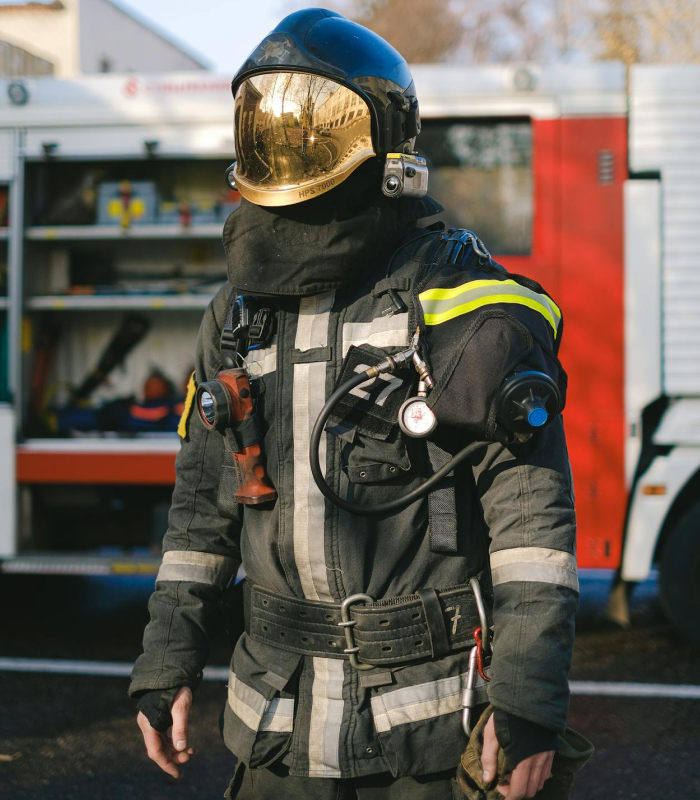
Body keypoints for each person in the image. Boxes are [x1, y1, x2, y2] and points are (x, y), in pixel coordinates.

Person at [130, 9, 583, 800]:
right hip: (277, 729)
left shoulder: (466, 310)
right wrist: (166, 660)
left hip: (429, 738)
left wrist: (527, 704)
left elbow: (531, 527)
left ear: (386, 143)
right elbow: (203, 509)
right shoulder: (236, 316)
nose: (285, 146)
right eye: (267, 123)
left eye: (312, 124)